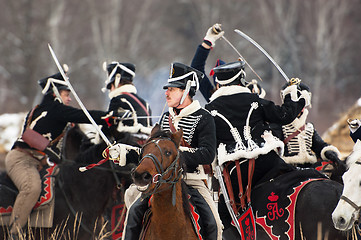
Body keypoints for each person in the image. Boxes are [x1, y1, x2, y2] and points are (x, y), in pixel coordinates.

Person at [109, 62, 223, 240]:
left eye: (173, 89)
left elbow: (208, 154)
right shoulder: (165, 118)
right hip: (161, 182)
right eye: (167, 88)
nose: (166, 92)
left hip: (192, 181)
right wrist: (125, 152)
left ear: (186, 90)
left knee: (213, 223)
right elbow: (153, 154)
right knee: (133, 214)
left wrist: (174, 155)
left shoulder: (204, 117)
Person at [4, 72, 116, 237]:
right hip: (22, 160)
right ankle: (14, 233)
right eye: (66, 94)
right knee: (32, 188)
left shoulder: (46, 111)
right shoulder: (54, 109)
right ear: (55, 94)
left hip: (39, 162)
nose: (69, 98)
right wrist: (106, 116)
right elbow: (81, 115)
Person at [270, 80, 342, 170]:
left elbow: (319, 145)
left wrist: (329, 151)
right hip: (288, 169)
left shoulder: (309, 127)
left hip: (310, 167)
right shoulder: (277, 125)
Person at [102, 61, 152, 144]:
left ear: (116, 82)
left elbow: (107, 130)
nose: (110, 89)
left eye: (110, 86)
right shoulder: (145, 103)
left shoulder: (117, 100)